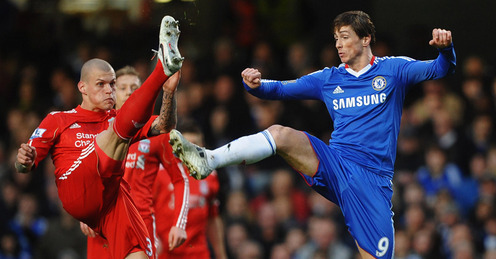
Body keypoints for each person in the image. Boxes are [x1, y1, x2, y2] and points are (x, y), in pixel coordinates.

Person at [169, 10, 456, 259]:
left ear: (366, 38)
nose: (338, 45)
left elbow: (441, 69)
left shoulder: (394, 69)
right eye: (335, 38)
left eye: (344, 36)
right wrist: (254, 85)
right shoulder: (329, 78)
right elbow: (280, 89)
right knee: (280, 134)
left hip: (372, 179)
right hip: (335, 163)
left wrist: (445, 48)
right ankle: (210, 160)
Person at [15, 15, 183, 259]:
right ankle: (160, 70)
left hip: (110, 200)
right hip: (77, 185)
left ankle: (164, 75)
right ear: (82, 88)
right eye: (101, 84)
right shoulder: (58, 119)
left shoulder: (116, 117)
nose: (110, 90)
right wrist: (24, 161)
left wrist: (169, 92)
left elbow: (165, 125)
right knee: (117, 130)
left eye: (113, 84)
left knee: (140, 254)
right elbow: (22, 167)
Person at [81, 66, 189, 259]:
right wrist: (84, 213)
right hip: (101, 230)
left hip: (140, 227)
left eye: (135, 87)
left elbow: (181, 178)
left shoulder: (156, 132)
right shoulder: (95, 129)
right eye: (122, 87)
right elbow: (82, 175)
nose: (129, 92)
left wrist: (178, 224)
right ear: (112, 92)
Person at [154, 120, 226, 259]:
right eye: (187, 144)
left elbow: (213, 217)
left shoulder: (210, 175)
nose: (191, 149)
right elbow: (145, 210)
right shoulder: (160, 173)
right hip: (166, 253)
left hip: (198, 253)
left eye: (196, 144)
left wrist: (221, 254)